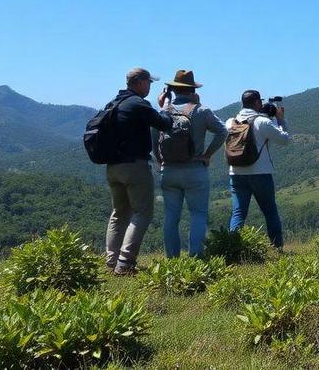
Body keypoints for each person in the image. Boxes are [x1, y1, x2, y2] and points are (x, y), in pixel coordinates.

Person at [106, 67, 174, 275]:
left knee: (119, 213)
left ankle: (111, 260)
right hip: (134, 166)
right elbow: (165, 124)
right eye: (149, 83)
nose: (150, 87)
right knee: (142, 212)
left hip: (112, 167)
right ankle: (125, 263)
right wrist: (167, 105)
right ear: (140, 82)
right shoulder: (138, 104)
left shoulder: (114, 103)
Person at [155, 70, 228, 258]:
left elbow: (153, 139)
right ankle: (196, 257)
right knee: (198, 214)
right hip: (195, 170)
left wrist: (160, 160)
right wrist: (207, 155)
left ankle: (172, 258)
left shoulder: (163, 112)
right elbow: (222, 132)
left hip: (169, 170)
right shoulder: (201, 110)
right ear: (192, 89)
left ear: (173, 89)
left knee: (171, 217)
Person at [225, 89, 290, 249]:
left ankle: (232, 248)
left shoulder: (230, 122)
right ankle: (277, 248)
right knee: (270, 212)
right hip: (260, 173)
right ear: (257, 103)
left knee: (238, 213)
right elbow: (284, 140)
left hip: (236, 173)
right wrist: (280, 120)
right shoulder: (262, 122)